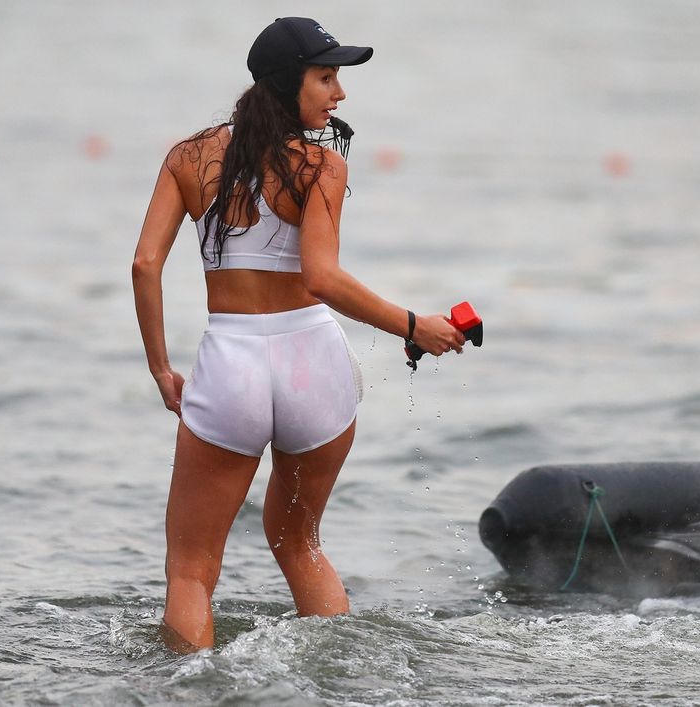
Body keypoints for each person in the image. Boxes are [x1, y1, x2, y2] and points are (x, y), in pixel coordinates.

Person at [131, 17, 465, 652]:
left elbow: (146, 265)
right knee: (299, 544)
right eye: (326, 77)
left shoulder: (188, 158)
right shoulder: (321, 166)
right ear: (289, 83)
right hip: (313, 363)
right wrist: (413, 326)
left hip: (230, 365)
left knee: (191, 570)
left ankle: (187, 687)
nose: (340, 93)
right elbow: (321, 278)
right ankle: (336, 677)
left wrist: (159, 368)